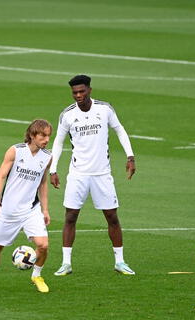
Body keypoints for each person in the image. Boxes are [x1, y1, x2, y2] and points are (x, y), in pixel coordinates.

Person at [49, 75, 136, 276]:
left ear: (89, 90)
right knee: (70, 216)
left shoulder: (105, 109)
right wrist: (53, 169)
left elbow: (120, 130)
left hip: (102, 174)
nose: (78, 95)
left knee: (112, 216)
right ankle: (66, 263)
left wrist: (130, 156)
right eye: (74, 93)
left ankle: (120, 262)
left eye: (81, 91)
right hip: (78, 174)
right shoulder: (67, 115)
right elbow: (58, 143)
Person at [0, 119, 53, 293]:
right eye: (43, 135)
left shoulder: (47, 157)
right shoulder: (16, 151)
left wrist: (45, 209)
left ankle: (37, 275)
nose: (47, 139)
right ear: (33, 135)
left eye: (49, 135)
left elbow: (43, 183)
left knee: (43, 245)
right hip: (9, 210)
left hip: (30, 210)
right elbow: (1, 177)